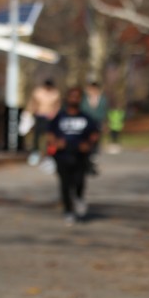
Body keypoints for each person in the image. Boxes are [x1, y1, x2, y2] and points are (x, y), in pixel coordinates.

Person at [48, 86, 99, 225]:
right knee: (65, 183)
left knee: (79, 181)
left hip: (80, 155)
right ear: (67, 98)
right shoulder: (59, 117)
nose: (74, 99)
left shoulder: (86, 118)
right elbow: (50, 133)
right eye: (72, 96)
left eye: (77, 97)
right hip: (62, 155)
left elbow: (94, 134)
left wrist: (88, 144)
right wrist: (56, 143)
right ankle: (68, 210)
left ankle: (78, 198)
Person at [26, 79, 61, 165]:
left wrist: (54, 114)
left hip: (50, 117)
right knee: (37, 135)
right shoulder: (38, 91)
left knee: (49, 136)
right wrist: (31, 112)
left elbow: (57, 105)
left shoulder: (55, 93)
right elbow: (33, 102)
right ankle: (35, 152)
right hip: (39, 116)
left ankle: (49, 154)